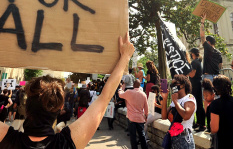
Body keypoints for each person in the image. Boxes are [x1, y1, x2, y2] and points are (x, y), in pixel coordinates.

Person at [0, 32, 134, 149]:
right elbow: (104, 98)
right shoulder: (66, 143)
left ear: (27, 105)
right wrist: (125, 57)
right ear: (60, 107)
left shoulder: (7, 140)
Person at [161, 75, 196, 149]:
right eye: (172, 84)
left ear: (183, 85)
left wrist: (176, 101)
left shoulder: (189, 98)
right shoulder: (174, 100)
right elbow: (164, 116)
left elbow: (186, 116)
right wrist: (165, 98)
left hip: (184, 138)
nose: (173, 86)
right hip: (174, 138)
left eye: (175, 83)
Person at [118, 79, 148, 149]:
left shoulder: (128, 92)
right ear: (139, 85)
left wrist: (121, 88)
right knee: (142, 135)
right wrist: (146, 116)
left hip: (131, 118)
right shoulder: (144, 94)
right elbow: (146, 108)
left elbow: (120, 95)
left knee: (133, 136)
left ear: (133, 85)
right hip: (140, 118)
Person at [200, 14, 222, 82]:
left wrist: (202, 22)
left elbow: (202, 36)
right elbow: (220, 66)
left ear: (208, 43)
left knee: (207, 92)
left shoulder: (208, 48)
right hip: (217, 76)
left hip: (208, 77)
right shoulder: (219, 53)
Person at [188, 48, 205, 132]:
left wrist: (186, 72)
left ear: (193, 54)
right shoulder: (199, 61)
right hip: (198, 83)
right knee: (198, 103)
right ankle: (199, 123)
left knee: (198, 104)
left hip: (195, 84)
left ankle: (202, 124)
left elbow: (192, 75)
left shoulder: (194, 62)